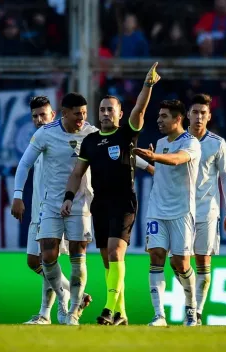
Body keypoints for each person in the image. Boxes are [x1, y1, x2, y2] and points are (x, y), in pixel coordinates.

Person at [61, 63, 161, 325]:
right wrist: (68, 197)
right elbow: (77, 172)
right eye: (102, 109)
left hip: (124, 202)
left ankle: (107, 309)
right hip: (100, 204)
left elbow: (140, 107)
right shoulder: (90, 140)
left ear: (119, 114)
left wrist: (147, 85)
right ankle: (122, 314)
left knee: (117, 254)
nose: (105, 113)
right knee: (108, 261)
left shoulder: (126, 133)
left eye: (110, 109)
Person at [11, 93, 97, 325]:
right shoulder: (43, 137)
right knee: (43, 258)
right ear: (65, 113)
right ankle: (62, 299)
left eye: (43, 115)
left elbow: (114, 153)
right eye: (35, 116)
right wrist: (18, 195)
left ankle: (68, 311)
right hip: (46, 206)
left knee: (77, 259)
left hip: (78, 205)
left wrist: (146, 165)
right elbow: (24, 164)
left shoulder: (90, 133)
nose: (39, 119)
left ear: (53, 113)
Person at [134, 99, 202, 327]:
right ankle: (159, 315)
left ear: (178, 119)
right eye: (159, 116)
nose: (158, 120)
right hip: (157, 210)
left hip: (182, 212)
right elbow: (159, 169)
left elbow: (176, 160)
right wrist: (144, 162)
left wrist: (154, 157)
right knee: (156, 257)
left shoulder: (191, 143)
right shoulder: (161, 142)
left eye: (164, 116)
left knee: (181, 264)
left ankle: (191, 308)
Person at [186, 93, 226, 325]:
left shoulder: (217, 143)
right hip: (180, 210)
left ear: (209, 117)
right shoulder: (176, 140)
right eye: (195, 112)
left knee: (203, 260)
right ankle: (190, 303)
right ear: (188, 114)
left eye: (203, 113)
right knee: (179, 261)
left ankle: (196, 311)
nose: (198, 117)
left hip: (207, 210)